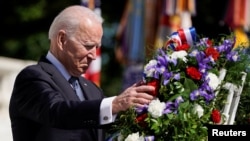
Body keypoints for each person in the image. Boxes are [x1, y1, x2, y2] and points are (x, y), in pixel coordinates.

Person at [9, 5, 155, 141]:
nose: (93, 55)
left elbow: (114, 130)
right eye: (88, 46)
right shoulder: (32, 78)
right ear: (62, 40)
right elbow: (57, 111)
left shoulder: (92, 90)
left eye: (96, 47)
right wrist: (114, 104)